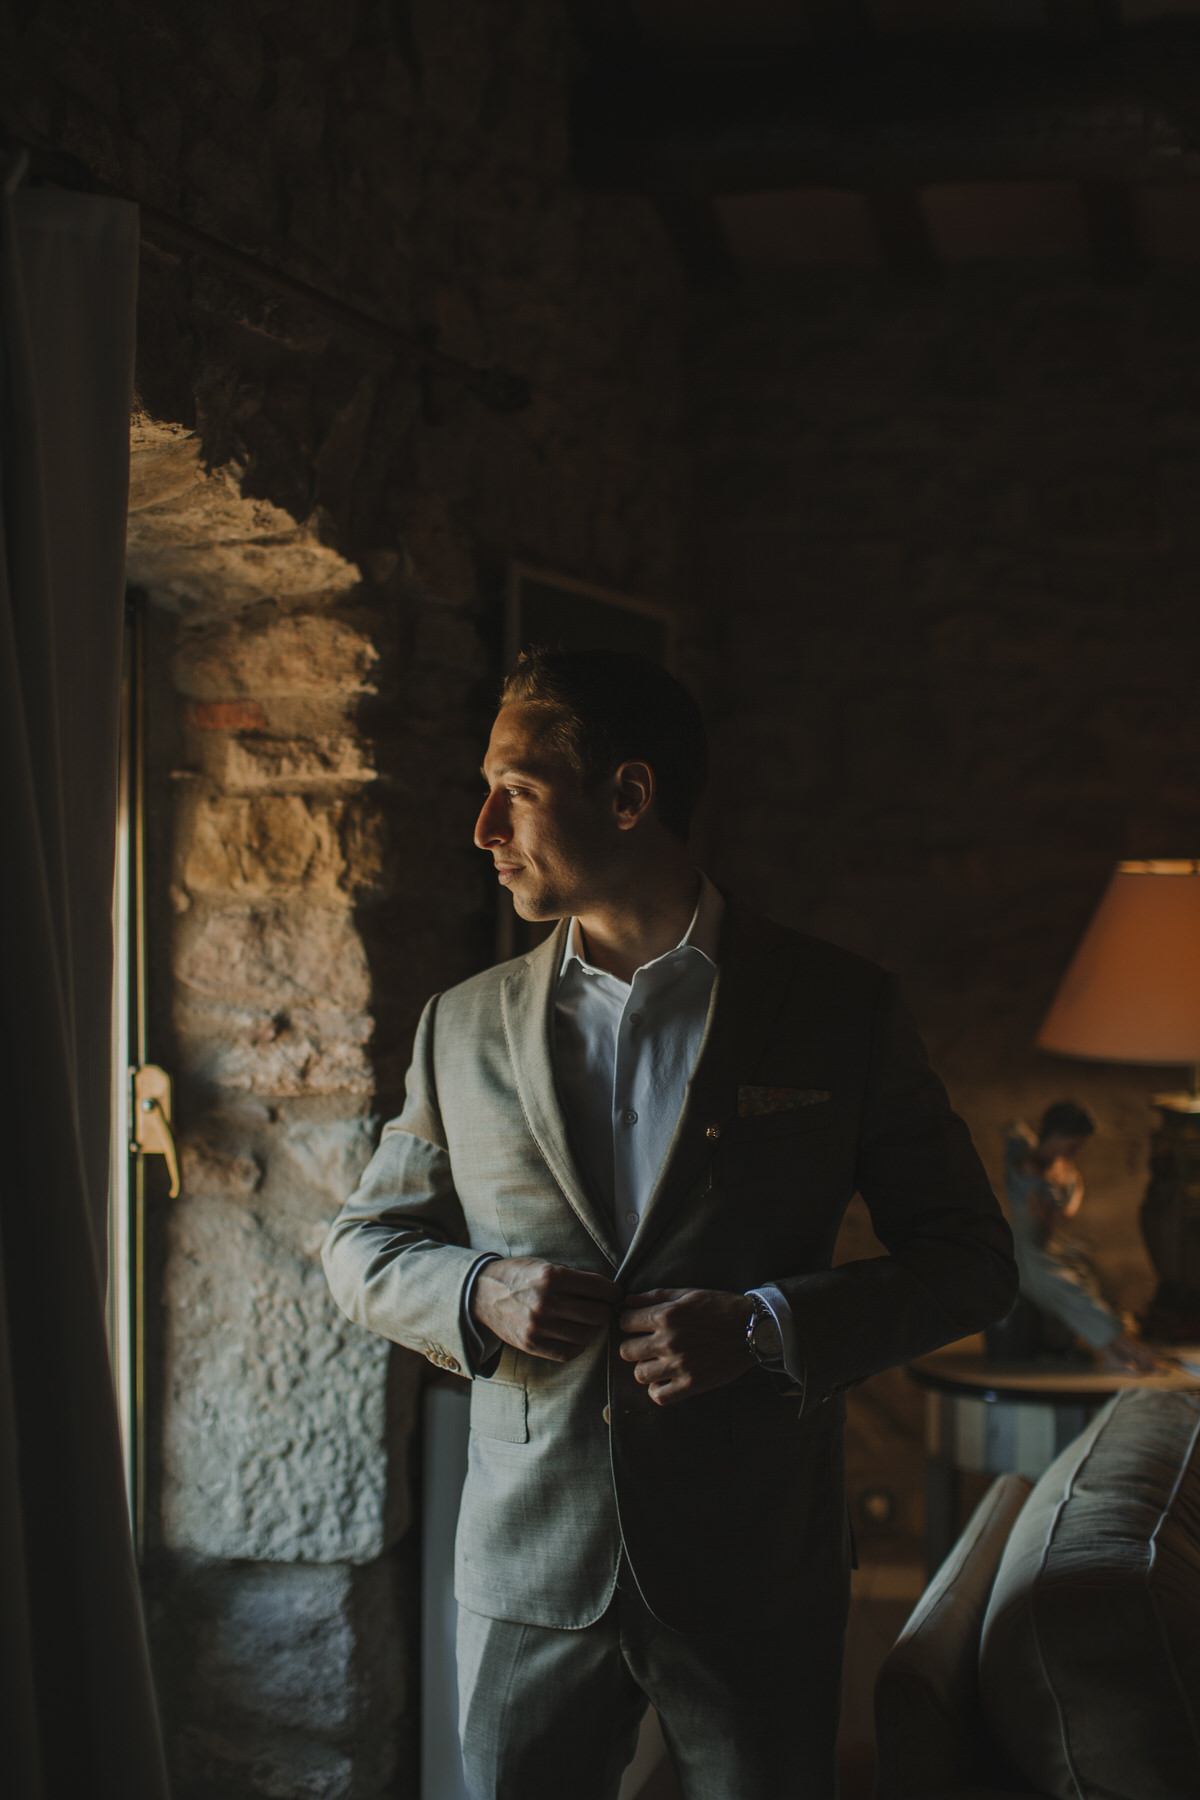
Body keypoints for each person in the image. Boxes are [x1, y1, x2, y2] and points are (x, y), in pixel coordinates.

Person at [322, 648, 1017, 1800]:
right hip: (527, 1574)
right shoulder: (460, 1026)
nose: (484, 828)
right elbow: (361, 1247)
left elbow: (973, 1262)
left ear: (630, 796)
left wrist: (764, 1326)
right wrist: (477, 1291)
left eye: (516, 791)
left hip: (757, 1570)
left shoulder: (838, 1008)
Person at [1001, 1101, 1158, 1372]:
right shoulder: (1031, 1166)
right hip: (1029, 1253)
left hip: (1050, 1246)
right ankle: (1125, 1349)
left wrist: (1071, 1188)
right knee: (1073, 1292)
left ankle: (1117, 1350)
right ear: (1056, 1136)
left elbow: (1060, 1212)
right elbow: (1060, 1216)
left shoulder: (1058, 1164)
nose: (1074, 1153)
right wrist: (1074, 1190)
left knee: (1089, 1280)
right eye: (1073, 1146)